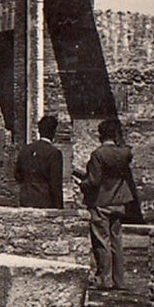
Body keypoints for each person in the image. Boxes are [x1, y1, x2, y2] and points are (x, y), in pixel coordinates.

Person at [75, 118, 139, 290]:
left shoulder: (98, 154)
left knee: (101, 241)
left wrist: (82, 183)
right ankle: (119, 280)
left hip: (101, 201)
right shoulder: (125, 154)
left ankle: (104, 278)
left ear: (100, 135)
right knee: (116, 241)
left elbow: (94, 181)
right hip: (119, 201)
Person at [14, 114, 65, 209]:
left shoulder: (25, 150)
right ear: (54, 132)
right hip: (44, 200)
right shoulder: (54, 153)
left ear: (39, 131)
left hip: (26, 197)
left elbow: (17, 175)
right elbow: (55, 184)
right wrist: (59, 207)